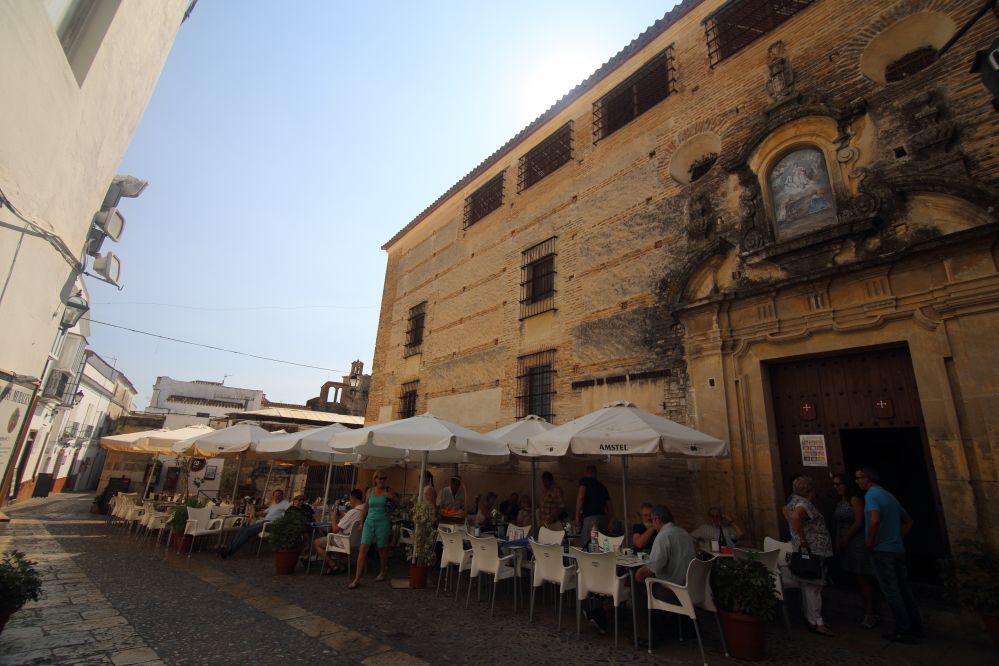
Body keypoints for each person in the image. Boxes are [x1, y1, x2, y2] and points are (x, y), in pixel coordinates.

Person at [855, 467, 923, 643]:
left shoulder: (871, 495)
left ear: (868, 479)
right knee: (904, 589)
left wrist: (871, 539)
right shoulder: (889, 496)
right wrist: (895, 537)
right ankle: (916, 627)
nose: (856, 481)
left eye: (859, 478)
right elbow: (908, 521)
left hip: (882, 551)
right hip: (897, 549)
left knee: (891, 591)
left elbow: (875, 519)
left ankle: (903, 629)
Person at [787, 475, 835, 636]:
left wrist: (796, 534)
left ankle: (811, 618)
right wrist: (803, 539)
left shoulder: (792, 501)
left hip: (804, 550)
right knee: (814, 586)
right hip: (812, 550)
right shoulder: (803, 504)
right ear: (810, 490)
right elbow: (794, 517)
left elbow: (786, 511)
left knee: (808, 585)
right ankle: (817, 621)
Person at [832, 474, 878, 628]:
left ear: (847, 484)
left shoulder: (854, 500)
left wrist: (846, 537)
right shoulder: (841, 501)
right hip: (846, 544)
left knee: (862, 577)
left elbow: (859, 521)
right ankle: (864, 611)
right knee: (856, 577)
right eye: (834, 484)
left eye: (839, 484)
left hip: (856, 542)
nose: (836, 487)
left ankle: (870, 614)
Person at [349, 472, 399, 589]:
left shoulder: (388, 490)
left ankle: (383, 571)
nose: (382, 480)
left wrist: (391, 497)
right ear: (375, 479)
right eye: (380, 478)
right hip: (369, 522)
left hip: (383, 522)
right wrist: (361, 522)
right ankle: (357, 578)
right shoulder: (369, 491)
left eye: (384, 478)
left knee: (382, 548)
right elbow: (366, 507)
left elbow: (398, 503)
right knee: (363, 548)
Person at [219, 488, 289, 559]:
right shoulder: (274, 505)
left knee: (246, 532)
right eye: (275, 495)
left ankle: (228, 552)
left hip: (270, 524)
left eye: (279, 495)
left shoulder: (285, 504)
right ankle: (227, 549)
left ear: (282, 496)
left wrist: (282, 521)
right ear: (273, 496)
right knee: (242, 530)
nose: (277, 497)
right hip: (263, 522)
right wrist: (254, 513)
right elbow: (263, 512)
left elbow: (291, 512)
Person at [313, 488, 366, 574]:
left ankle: (333, 564)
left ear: (353, 498)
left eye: (350, 499)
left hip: (344, 541)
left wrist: (333, 518)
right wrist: (343, 514)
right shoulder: (364, 510)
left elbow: (335, 530)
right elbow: (352, 519)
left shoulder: (352, 512)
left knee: (317, 542)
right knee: (328, 539)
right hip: (358, 541)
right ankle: (331, 567)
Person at [576, 465, 610, 549]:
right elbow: (609, 505)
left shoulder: (585, 481)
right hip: (603, 519)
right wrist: (609, 520)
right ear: (596, 474)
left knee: (588, 545)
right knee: (602, 547)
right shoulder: (602, 486)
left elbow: (581, 497)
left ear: (587, 472)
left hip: (591, 519)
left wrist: (577, 516)